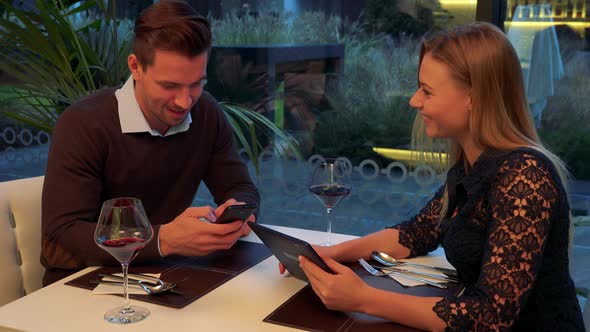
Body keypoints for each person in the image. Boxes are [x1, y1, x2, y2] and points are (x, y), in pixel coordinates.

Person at [292, 22, 585, 331]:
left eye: (427, 91)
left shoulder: (524, 175)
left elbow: (492, 317)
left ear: (474, 96)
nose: (414, 101)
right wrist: (330, 254)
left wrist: (363, 299)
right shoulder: (472, 165)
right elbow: (416, 234)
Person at [41, 0, 259, 285]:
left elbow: (240, 187)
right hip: (82, 284)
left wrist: (239, 213)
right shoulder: (83, 124)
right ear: (136, 67)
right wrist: (162, 240)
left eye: (196, 83)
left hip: (160, 279)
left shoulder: (206, 113)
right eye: (169, 86)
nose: (185, 101)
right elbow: (62, 238)